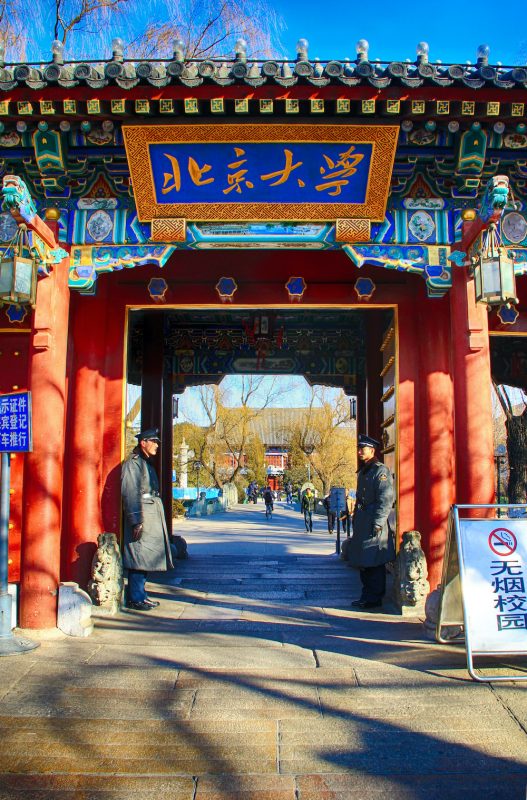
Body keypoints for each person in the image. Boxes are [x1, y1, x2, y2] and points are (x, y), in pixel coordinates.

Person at [121, 427, 174, 611]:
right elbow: (129, 492)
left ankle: (141, 594)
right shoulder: (133, 464)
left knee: (145, 557)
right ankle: (135, 597)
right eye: (154, 442)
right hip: (141, 514)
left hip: (149, 513)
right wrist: (136, 519)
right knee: (138, 556)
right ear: (143, 442)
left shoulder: (146, 464)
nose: (157, 445)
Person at [348, 435, 394, 610]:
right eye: (359, 448)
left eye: (363, 448)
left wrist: (378, 522)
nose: (360, 451)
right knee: (364, 562)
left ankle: (374, 597)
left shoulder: (380, 471)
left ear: (372, 450)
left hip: (374, 522)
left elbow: (385, 499)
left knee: (374, 562)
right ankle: (366, 595)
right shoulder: (365, 470)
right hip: (363, 520)